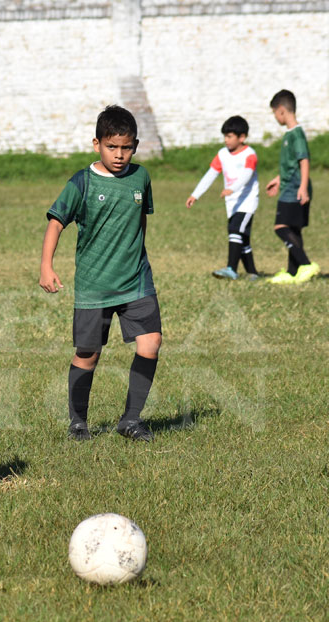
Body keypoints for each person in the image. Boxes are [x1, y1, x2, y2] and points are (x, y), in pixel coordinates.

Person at [39, 105, 161, 443]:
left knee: (151, 344)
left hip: (137, 281)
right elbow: (56, 223)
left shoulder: (141, 177)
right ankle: (78, 422)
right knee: (88, 354)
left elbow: (141, 220)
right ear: (97, 144)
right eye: (111, 147)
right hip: (94, 286)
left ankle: (131, 420)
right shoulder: (82, 181)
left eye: (126, 147)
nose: (119, 155)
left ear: (135, 145)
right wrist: (46, 265)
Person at [186, 116, 259, 280]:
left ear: (242, 137)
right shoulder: (222, 154)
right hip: (232, 204)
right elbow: (210, 175)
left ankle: (231, 269)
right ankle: (253, 273)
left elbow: (247, 175)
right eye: (225, 136)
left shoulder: (250, 154)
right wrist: (195, 194)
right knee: (242, 238)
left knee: (234, 230)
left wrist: (231, 189)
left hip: (247, 202)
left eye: (230, 136)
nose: (226, 140)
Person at [265, 90, 319, 284]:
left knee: (281, 227)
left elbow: (304, 160)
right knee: (294, 230)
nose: (275, 118)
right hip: (289, 185)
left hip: (294, 189)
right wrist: (279, 179)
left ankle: (306, 264)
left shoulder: (296, 133)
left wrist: (303, 187)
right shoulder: (290, 134)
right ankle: (293, 272)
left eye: (274, 113)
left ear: (281, 111)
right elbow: (292, 164)